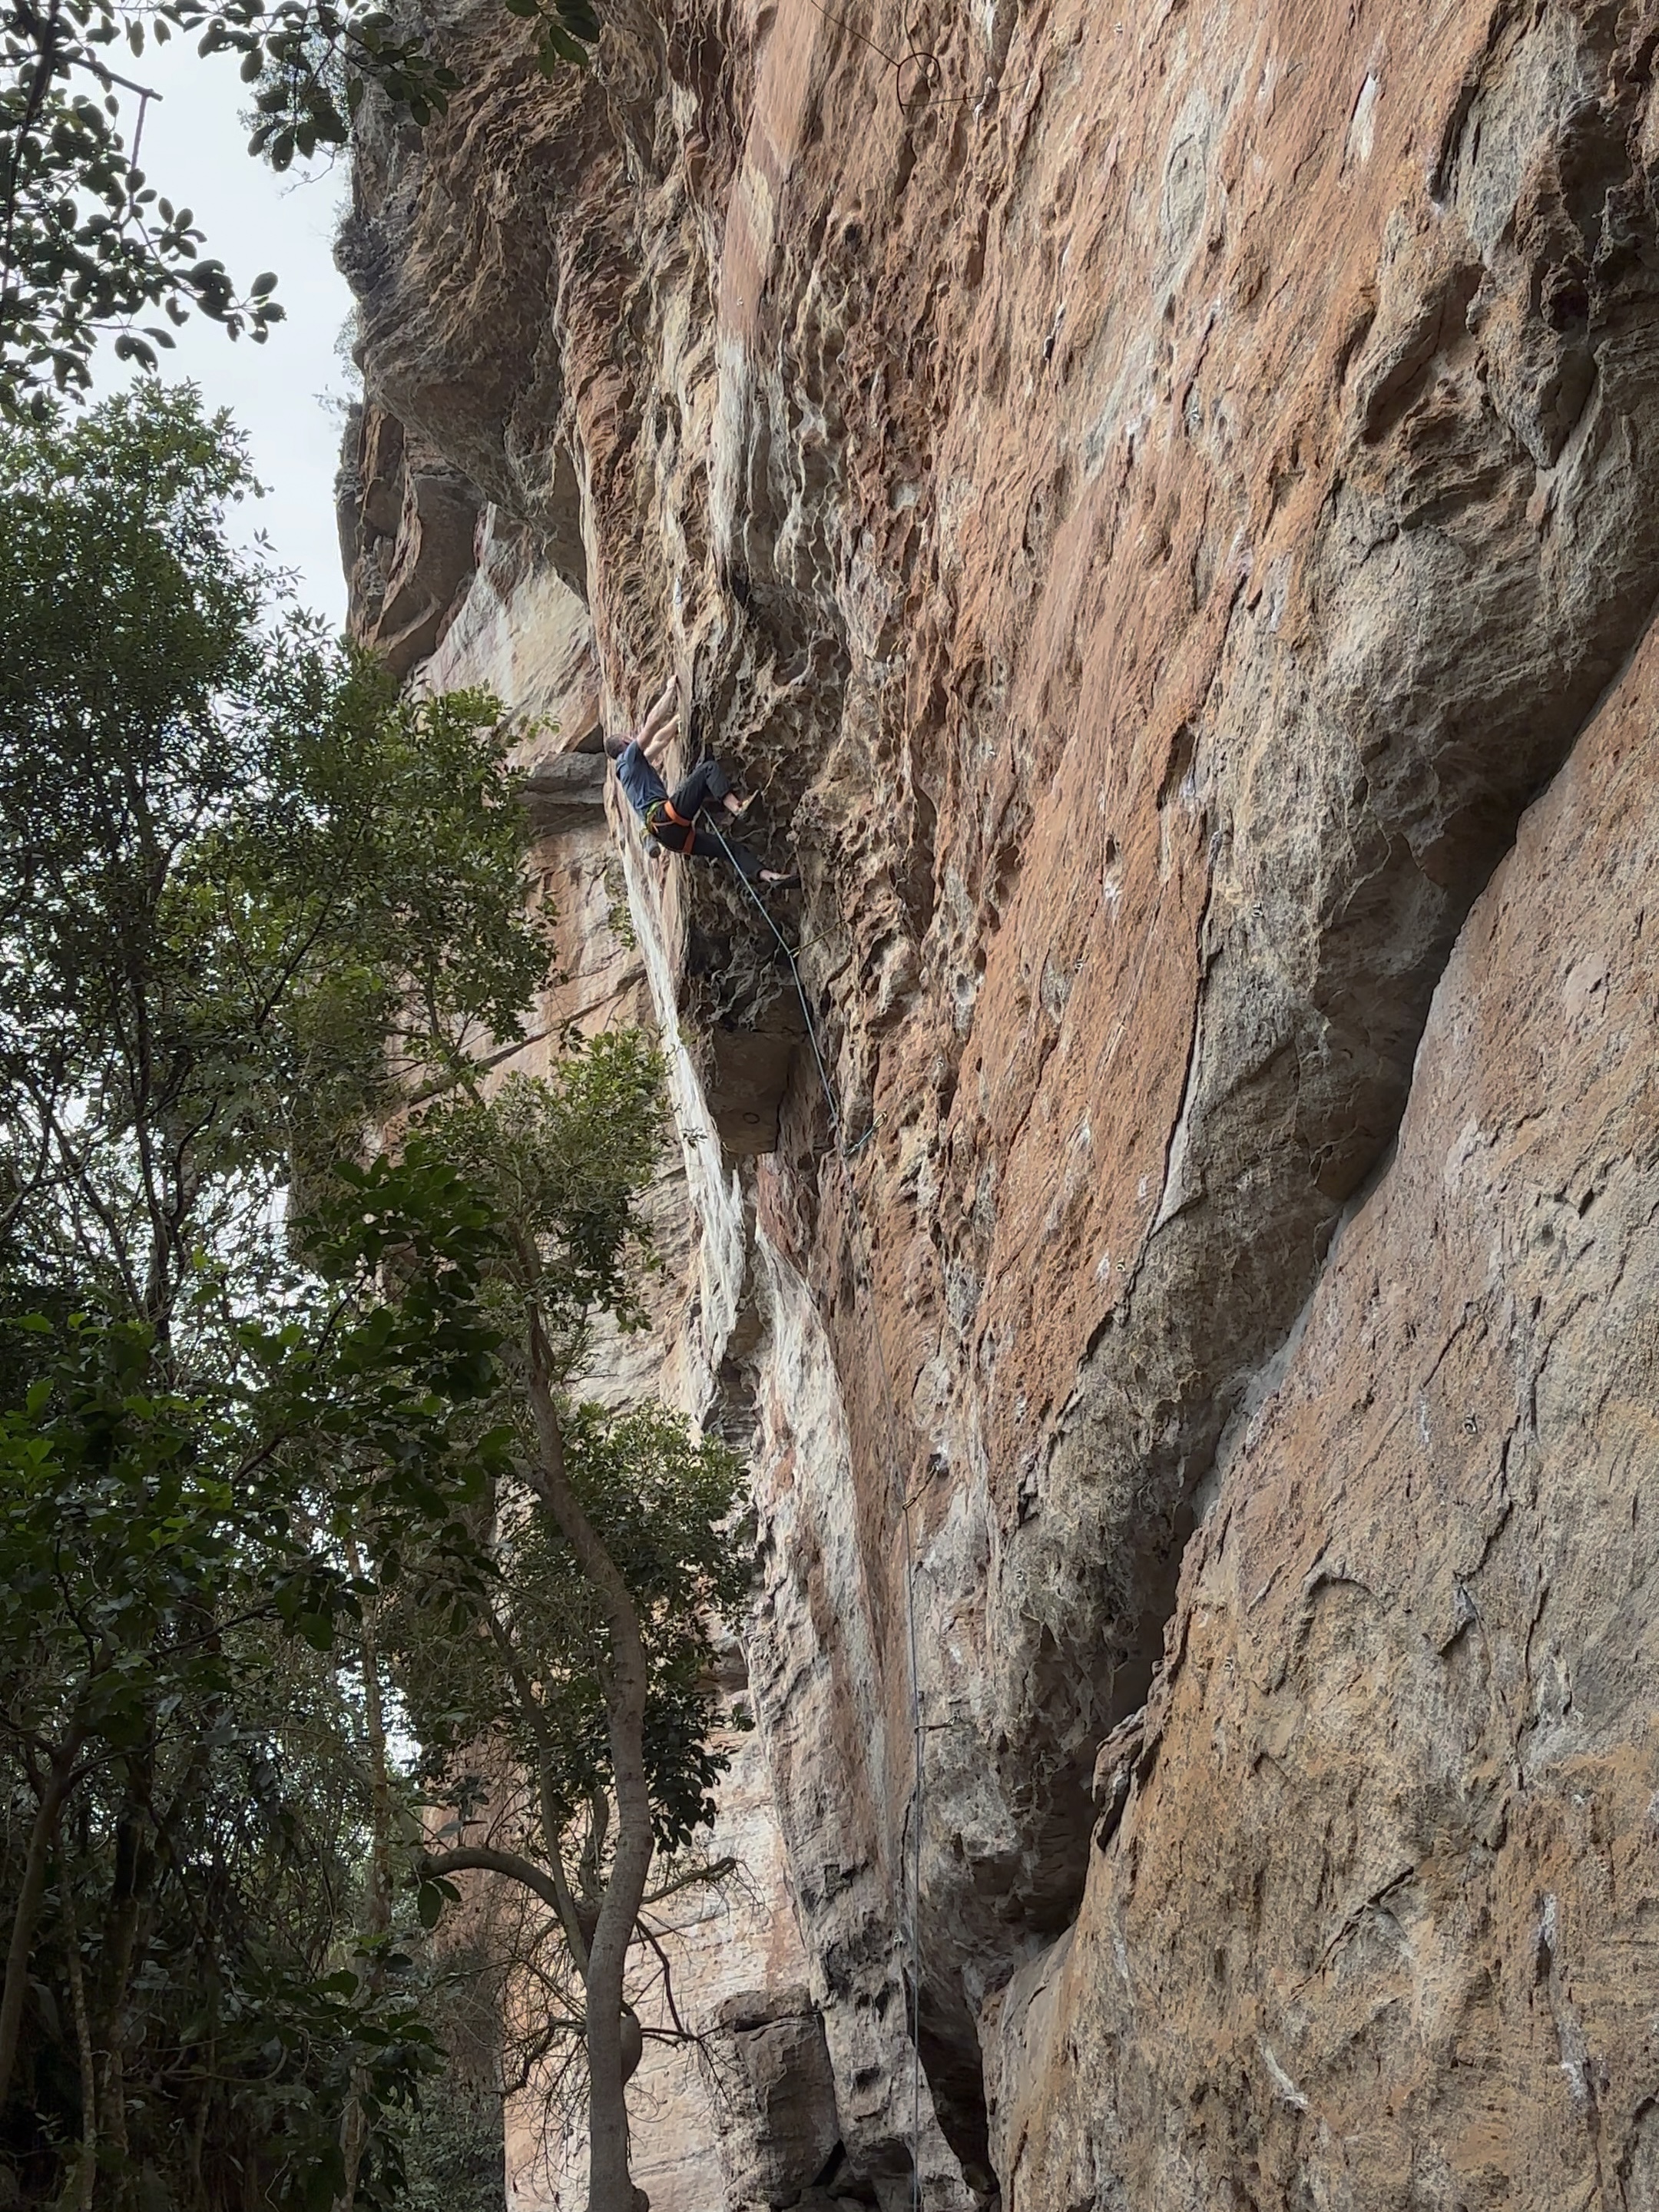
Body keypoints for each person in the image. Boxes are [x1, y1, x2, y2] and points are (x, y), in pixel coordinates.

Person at [604, 677, 800, 889]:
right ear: (626, 742)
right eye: (629, 738)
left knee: (730, 848)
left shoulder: (628, 772)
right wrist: (670, 691)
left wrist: (677, 721)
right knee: (707, 769)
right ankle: (737, 807)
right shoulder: (629, 757)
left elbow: (660, 740)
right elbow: (651, 727)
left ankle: (768, 876)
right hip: (664, 817)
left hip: (673, 840)